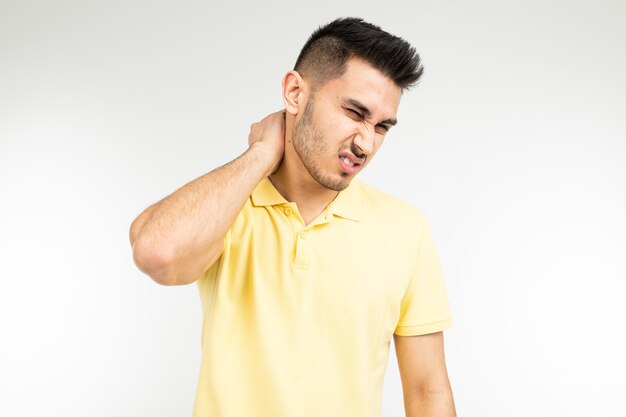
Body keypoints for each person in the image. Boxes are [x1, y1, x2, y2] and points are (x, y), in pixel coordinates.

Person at [129, 17, 456, 417]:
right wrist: (260, 155)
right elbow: (156, 253)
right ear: (295, 92)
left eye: (382, 126)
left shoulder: (407, 229)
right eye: (355, 113)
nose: (366, 143)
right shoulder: (229, 208)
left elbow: (427, 392)